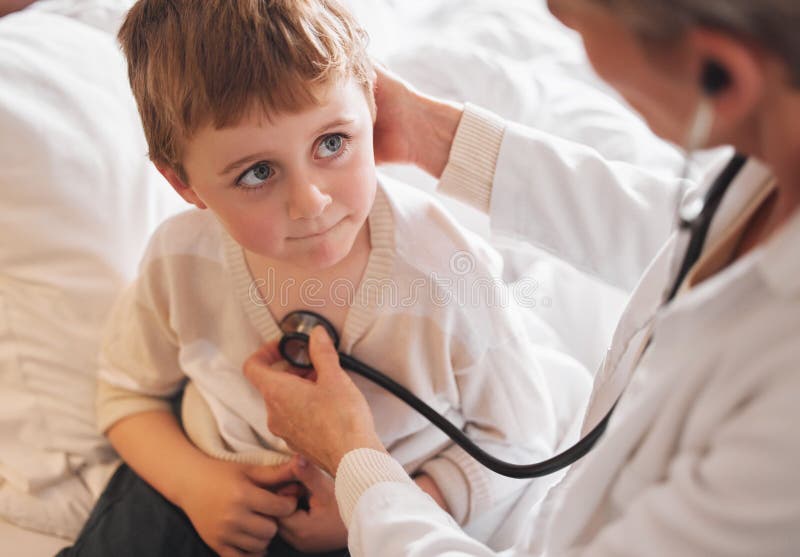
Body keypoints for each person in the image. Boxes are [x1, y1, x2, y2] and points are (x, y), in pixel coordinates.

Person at [244, 0, 800, 555]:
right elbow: (682, 233)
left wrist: (354, 463)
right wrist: (436, 137)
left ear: (720, 76)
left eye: (577, 24)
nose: (555, 20)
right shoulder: (771, 162)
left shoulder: (780, 436)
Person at [57, 1, 592, 556]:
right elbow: (127, 394)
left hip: (394, 508)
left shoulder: (446, 270)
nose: (311, 201)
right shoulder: (181, 261)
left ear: (372, 106)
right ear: (184, 184)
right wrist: (197, 485)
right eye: (257, 173)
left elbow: (519, 442)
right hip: (206, 488)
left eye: (332, 143)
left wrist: (379, 509)